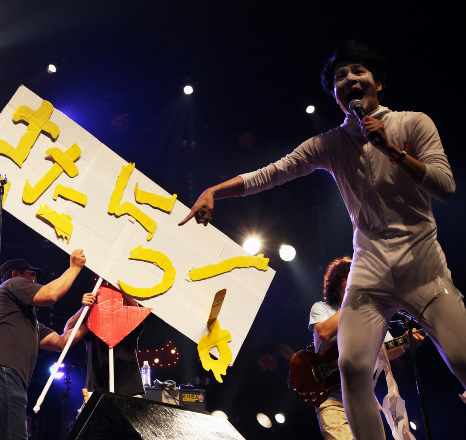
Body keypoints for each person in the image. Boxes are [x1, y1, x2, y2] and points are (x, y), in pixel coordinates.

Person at [179, 41, 466, 439]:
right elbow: (273, 173)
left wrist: (391, 150)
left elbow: (446, 186)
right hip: (370, 275)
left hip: (424, 269)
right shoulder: (330, 144)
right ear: (335, 94)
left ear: (378, 84)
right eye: (340, 77)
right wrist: (215, 190)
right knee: (352, 368)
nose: (349, 79)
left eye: (358, 72)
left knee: (462, 359)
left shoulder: (413, 123)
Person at [0, 249, 95, 440]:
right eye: (31, 275)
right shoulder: (12, 283)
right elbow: (51, 294)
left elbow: (62, 341)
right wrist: (75, 267)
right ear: (15, 273)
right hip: (1, 370)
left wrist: (89, 312)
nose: (34, 281)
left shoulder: (27, 322)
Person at [310, 256, 423, 440]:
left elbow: (385, 351)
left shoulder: (370, 316)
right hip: (332, 402)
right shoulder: (322, 308)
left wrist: (405, 343)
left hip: (365, 400)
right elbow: (323, 332)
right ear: (339, 282)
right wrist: (352, 304)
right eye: (351, 276)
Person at [83, 283, 145, 397]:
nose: (109, 304)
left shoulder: (128, 323)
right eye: (105, 300)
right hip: (97, 389)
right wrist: (86, 307)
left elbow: (136, 310)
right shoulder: (90, 323)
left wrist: (119, 287)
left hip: (127, 389)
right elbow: (69, 329)